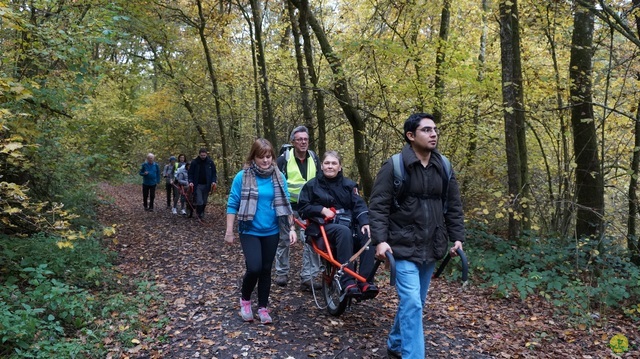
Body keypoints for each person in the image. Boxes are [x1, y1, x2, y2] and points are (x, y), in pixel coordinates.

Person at [369, 113, 465, 359]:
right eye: (426, 130)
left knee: (414, 303)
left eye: (435, 129)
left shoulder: (443, 166)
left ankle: (396, 341)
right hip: (400, 247)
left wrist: (457, 238)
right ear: (411, 136)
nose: (434, 134)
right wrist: (380, 240)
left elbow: (453, 205)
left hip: (431, 245)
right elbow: (378, 206)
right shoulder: (395, 166)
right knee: (412, 304)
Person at [225, 138, 297, 324]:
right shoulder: (242, 176)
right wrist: (229, 231)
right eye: (261, 157)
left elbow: (286, 202)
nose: (266, 161)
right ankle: (245, 300)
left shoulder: (278, 176)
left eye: (268, 157)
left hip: (271, 230)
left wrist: (291, 228)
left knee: (266, 269)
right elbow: (233, 203)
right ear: (254, 157)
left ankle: (263, 307)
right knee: (254, 267)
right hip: (249, 229)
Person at [297, 151, 377, 298]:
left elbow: (359, 206)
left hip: (348, 224)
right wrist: (321, 210)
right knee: (343, 231)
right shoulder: (312, 185)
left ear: (339, 167)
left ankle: (366, 281)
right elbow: (302, 208)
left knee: (368, 233)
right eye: (327, 163)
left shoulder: (349, 185)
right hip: (323, 228)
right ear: (321, 166)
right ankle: (347, 282)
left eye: (334, 163)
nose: (330, 166)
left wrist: (365, 222)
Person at [275, 126, 322, 291]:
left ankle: (308, 277)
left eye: (305, 139)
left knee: (311, 240)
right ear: (293, 142)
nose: (303, 142)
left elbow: (320, 181)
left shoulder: (314, 158)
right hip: (287, 207)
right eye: (299, 139)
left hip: (307, 208)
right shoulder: (283, 160)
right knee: (284, 239)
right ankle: (281, 273)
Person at [188, 148, 217, 220]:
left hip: (207, 184)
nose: (203, 157)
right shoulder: (195, 162)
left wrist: (214, 181)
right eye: (201, 155)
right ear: (199, 154)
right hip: (197, 184)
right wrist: (190, 181)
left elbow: (214, 173)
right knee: (199, 200)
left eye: (204, 155)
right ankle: (199, 214)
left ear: (206, 154)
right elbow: (190, 173)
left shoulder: (210, 162)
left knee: (204, 200)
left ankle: (202, 212)